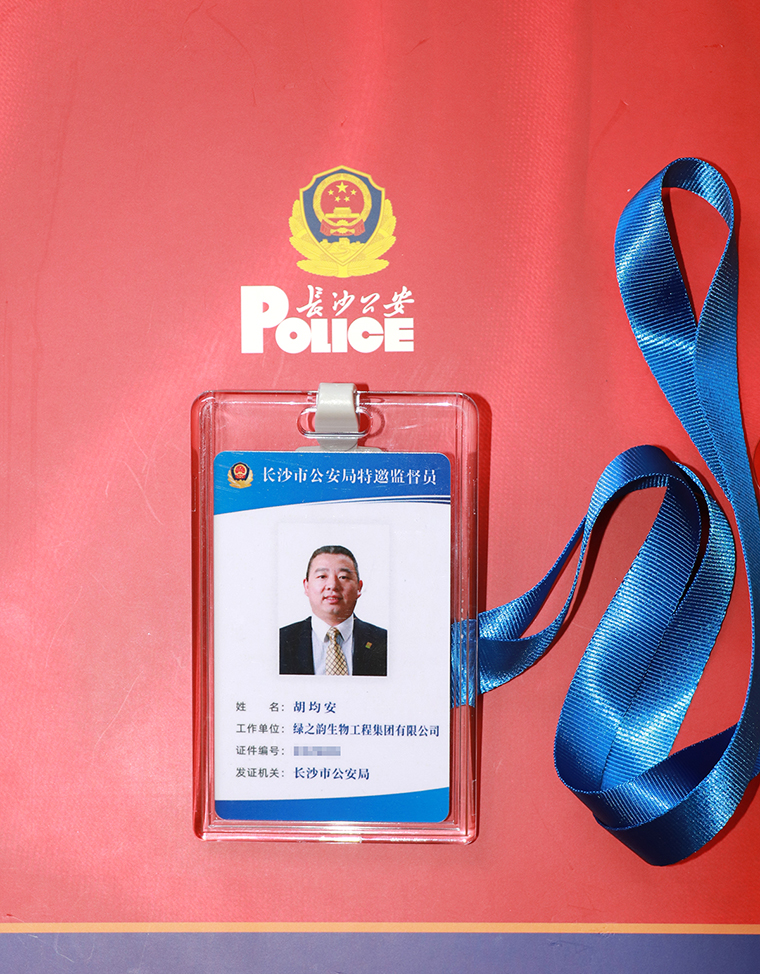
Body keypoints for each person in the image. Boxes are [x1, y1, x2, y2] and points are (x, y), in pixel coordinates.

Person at [279, 545, 387, 676]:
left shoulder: (385, 642)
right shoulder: (280, 642)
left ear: (359, 588)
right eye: (322, 576)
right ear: (306, 586)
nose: (332, 585)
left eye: (343, 577)